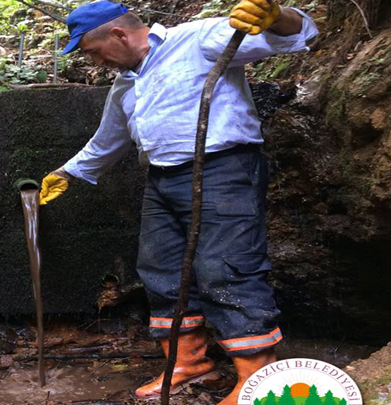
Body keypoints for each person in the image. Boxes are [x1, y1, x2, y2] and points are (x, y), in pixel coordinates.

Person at [39, 1, 318, 403]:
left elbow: (293, 36)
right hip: (161, 179)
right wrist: (67, 173)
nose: (95, 61)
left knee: (227, 268)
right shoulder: (125, 84)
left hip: (223, 169)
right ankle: (189, 365)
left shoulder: (196, 39)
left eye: (92, 50)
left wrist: (279, 15)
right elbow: (108, 140)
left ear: (117, 34)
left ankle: (259, 383)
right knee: (160, 269)